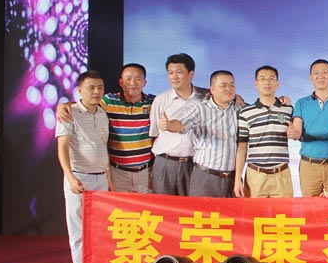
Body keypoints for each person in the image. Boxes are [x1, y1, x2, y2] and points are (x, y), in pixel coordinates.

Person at [57, 63, 156, 194]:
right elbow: (88, 102)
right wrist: (64, 105)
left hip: (146, 172)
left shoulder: (153, 102)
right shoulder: (108, 101)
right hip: (118, 172)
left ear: (144, 82)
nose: (133, 83)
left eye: (138, 79)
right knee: (119, 206)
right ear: (121, 82)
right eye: (128, 78)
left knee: (145, 206)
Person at [56, 71, 110, 263]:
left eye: (100, 87)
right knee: (79, 233)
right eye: (91, 88)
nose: (96, 92)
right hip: (80, 178)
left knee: (100, 232)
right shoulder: (70, 113)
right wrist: (70, 177)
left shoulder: (103, 113)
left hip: (101, 179)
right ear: (80, 90)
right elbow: (62, 148)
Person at [161, 71, 242, 198]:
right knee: (200, 211)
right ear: (212, 89)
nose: (228, 88)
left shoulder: (240, 110)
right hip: (205, 177)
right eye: (223, 85)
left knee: (231, 212)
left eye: (232, 85)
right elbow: (181, 124)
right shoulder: (201, 109)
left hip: (233, 179)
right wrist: (168, 125)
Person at [288, 59, 328, 197]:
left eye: (325, 72)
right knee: (310, 207)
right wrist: (294, 133)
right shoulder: (301, 103)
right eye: (316, 73)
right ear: (310, 77)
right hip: (309, 166)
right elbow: (297, 130)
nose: (320, 76)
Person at [149, 53, 209, 196]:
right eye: (170, 73)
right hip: (166, 163)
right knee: (163, 206)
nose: (174, 77)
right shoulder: (161, 100)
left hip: (194, 164)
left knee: (191, 206)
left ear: (191, 74)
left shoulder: (206, 97)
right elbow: (154, 134)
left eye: (179, 72)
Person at [237, 65, 295, 198]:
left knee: (284, 211)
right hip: (255, 177)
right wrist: (237, 178)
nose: (267, 82)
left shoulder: (289, 110)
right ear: (256, 83)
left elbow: (297, 132)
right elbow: (241, 147)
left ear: (277, 83)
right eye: (262, 79)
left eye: (271, 79)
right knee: (254, 212)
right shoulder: (245, 113)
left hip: (281, 175)